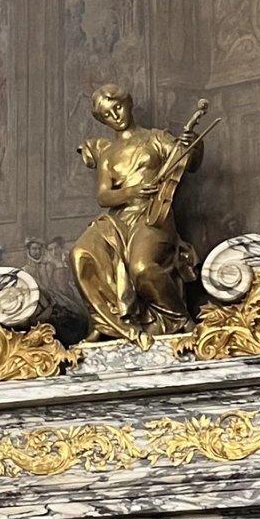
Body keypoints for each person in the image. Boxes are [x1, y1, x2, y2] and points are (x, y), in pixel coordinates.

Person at [70, 85, 211, 340]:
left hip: (153, 215)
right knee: (80, 253)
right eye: (107, 115)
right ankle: (107, 323)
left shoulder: (155, 138)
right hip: (119, 219)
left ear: (128, 103)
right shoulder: (108, 155)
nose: (115, 116)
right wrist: (130, 192)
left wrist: (194, 147)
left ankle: (179, 319)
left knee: (143, 267)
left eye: (118, 108)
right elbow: (103, 196)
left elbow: (187, 163)